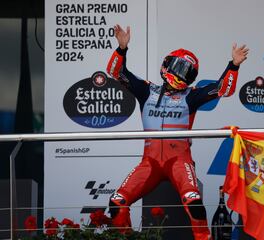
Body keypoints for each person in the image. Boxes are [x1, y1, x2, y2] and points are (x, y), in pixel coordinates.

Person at [106, 24, 249, 240]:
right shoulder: (146, 90)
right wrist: (122, 48)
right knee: (117, 201)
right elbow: (115, 72)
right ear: (166, 66)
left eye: (187, 72)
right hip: (150, 163)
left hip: (179, 162)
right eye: (179, 68)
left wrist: (234, 65)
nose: (182, 75)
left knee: (194, 201)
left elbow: (223, 89)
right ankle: (125, 237)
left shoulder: (191, 96)